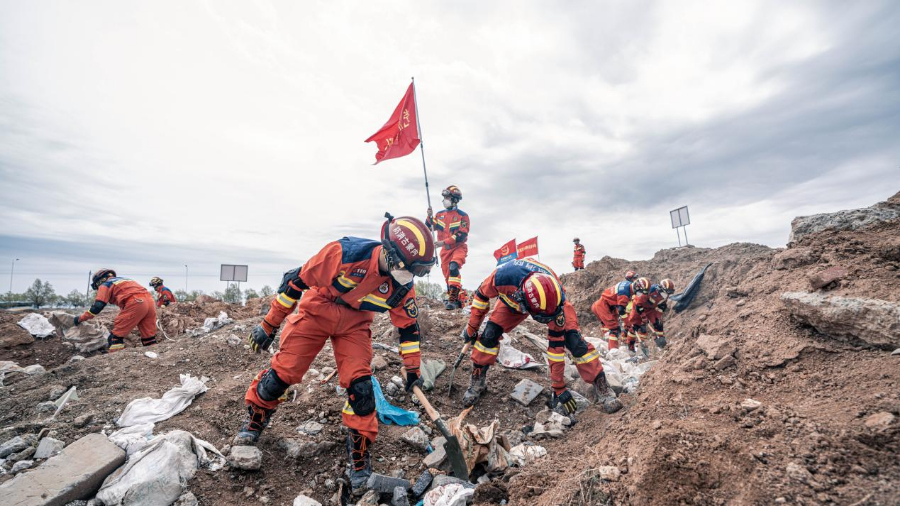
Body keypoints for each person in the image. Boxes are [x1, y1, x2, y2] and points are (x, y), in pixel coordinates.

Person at [232, 214, 435, 491]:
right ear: (391, 254)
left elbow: (409, 329)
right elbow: (294, 282)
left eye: (420, 271)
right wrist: (268, 326)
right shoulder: (344, 254)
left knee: (361, 390)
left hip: (355, 323)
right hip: (318, 309)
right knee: (281, 376)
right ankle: (254, 422)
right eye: (411, 269)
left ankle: (359, 463)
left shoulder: (401, 287)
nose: (412, 277)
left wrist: (413, 370)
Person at [460, 258, 622, 414]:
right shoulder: (502, 277)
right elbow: (481, 296)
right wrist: (472, 327)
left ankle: (602, 386)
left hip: (547, 304)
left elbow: (556, 349)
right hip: (511, 301)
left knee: (575, 341)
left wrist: (558, 386)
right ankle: (477, 380)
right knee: (489, 334)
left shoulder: (555, 302)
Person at [73, 269, 158, 352]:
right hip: (150, 302)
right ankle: (153, 357)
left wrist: (80, 318)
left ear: (99, 281)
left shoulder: (105, 284)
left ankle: (115, 361)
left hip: (136, 303)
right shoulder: (125, 280)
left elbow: (97, 306)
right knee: (149, 337)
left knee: (115, 337)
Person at [425, 185, 470, 310]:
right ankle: (457, 298)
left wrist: (443, 242)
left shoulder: (463, 216)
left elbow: (462, 235)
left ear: (455, 199)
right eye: (444, 197)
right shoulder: (439, 215)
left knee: (454, 267)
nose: (445, 200)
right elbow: (429, 226)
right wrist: (429, 216)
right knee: (448, 277)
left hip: (458, 247)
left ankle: (453, 300)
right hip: (445, 250)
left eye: (447, 197)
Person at [590, 277, 650, 350]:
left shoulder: (628, 285)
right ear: (637, 286)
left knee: (615, 328)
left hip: (607, 305)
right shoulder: (625, 294)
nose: (640, 294)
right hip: (603, 306)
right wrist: (627, 322)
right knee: (614, 329)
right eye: (640, 291)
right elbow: (621, 310)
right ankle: (613, 352)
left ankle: (609, 347)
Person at [623, 279, 675, 352]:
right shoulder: (650, 291)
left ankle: (661, 344)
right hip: (638, 308)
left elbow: (662, 306)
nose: (667, 295)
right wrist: (643, 317)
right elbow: (638, 305)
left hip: (651, 309)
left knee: (658, 324)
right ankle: (630, 347)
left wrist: (658, 317)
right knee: (634, 327)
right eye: (666, 293)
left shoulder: (665, 295)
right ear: (661, 288)